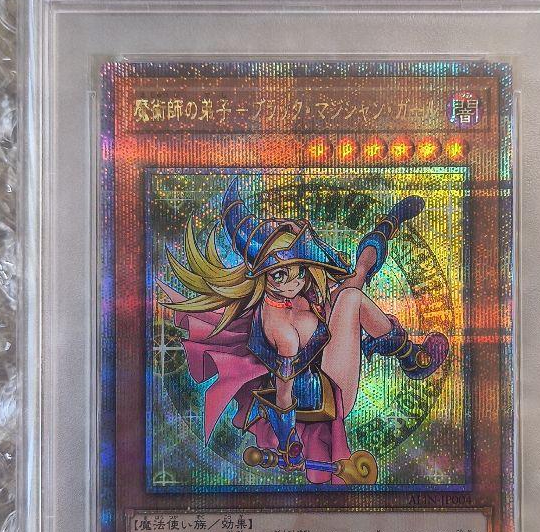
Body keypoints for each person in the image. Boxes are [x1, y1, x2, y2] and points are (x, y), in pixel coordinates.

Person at [158, 178, 448, 484]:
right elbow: (284, 394)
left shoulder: (293, 295)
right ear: (262, 274)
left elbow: (325, 284)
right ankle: (412, 358)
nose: (294, 281)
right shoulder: (281, 330)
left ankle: (387, 225)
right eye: (280, 275)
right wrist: (289, 443)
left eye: (298, 270)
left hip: (324, 357)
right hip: (329, 394)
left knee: (356, 277)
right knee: (351, 297)